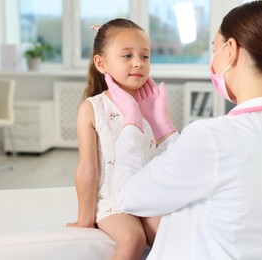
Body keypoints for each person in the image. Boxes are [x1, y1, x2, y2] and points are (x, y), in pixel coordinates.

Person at [107, 1, 262, 259]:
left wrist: (131, 122)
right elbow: (202, 174)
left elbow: (129, 195)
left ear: (231, 50)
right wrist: (163, 128)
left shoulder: (214, 136)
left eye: (214, 49)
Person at [66, 18, 160, 259]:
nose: (138, 63)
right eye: (127, 56)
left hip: (147, 195)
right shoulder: (92, 108)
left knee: (169, 233)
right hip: (114, 201)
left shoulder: (152, 105)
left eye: (145, 56)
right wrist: (85, 219)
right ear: (101, 63)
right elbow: (87, 167)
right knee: (132, 238)